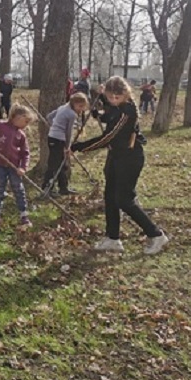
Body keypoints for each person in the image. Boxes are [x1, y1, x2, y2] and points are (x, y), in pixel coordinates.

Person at [71, 76, 169, 255]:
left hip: (130, 159)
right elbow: (108, 115)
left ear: (126, 94)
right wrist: (99, 109)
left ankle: (156, 235)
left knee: (124, 199)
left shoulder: (128, 111)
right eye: (110, 97)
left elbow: (108, 137)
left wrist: (79, 147)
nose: (114, 101)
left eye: (117, 97)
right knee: (110, 197)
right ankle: (113, 239)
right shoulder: (116, 107)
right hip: (116, 157)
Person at [0, 104, 36, 228]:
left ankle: (24, 215)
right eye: (26, 121)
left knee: (18, 189)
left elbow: (25, 154)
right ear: (17, 117)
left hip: (14, 167)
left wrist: (23, 167)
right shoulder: (0, 125)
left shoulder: (21, 135)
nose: (26, 124)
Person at [43, 92, 89, 196]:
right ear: (74, 103)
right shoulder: (71, 114)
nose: (81, 109)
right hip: (58, 140)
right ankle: (46, 187)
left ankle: (63, 187)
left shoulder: (62, 107)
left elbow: (49, 117)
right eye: (80, 106)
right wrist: (68, 147)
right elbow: (69, 132)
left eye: (83, 107)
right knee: (54, 164)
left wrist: (53, 127)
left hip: (53, 137)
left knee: (62, 164)